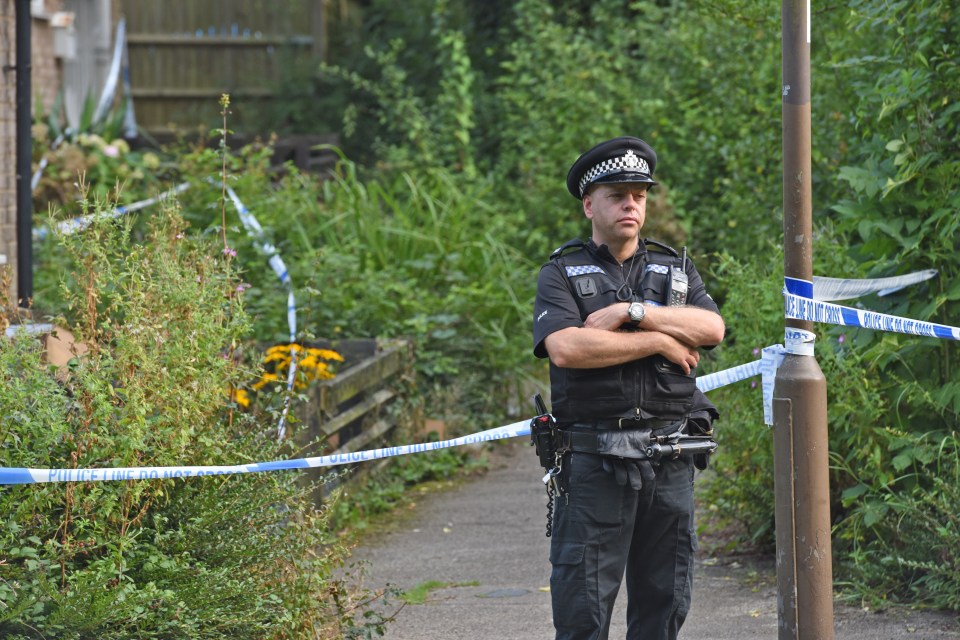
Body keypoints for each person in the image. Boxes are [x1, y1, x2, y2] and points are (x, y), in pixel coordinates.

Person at [532, 136, 725, 640]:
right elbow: (568, 349)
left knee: (663, 608)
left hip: (670, 461)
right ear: (589, 204)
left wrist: (631, 313)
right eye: (617, 194)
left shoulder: (674, 270)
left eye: (639, 194)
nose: (631, 204)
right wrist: (659, 340)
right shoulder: (561, 274)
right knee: (583, 614)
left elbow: (712, 330)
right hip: (595, 465)